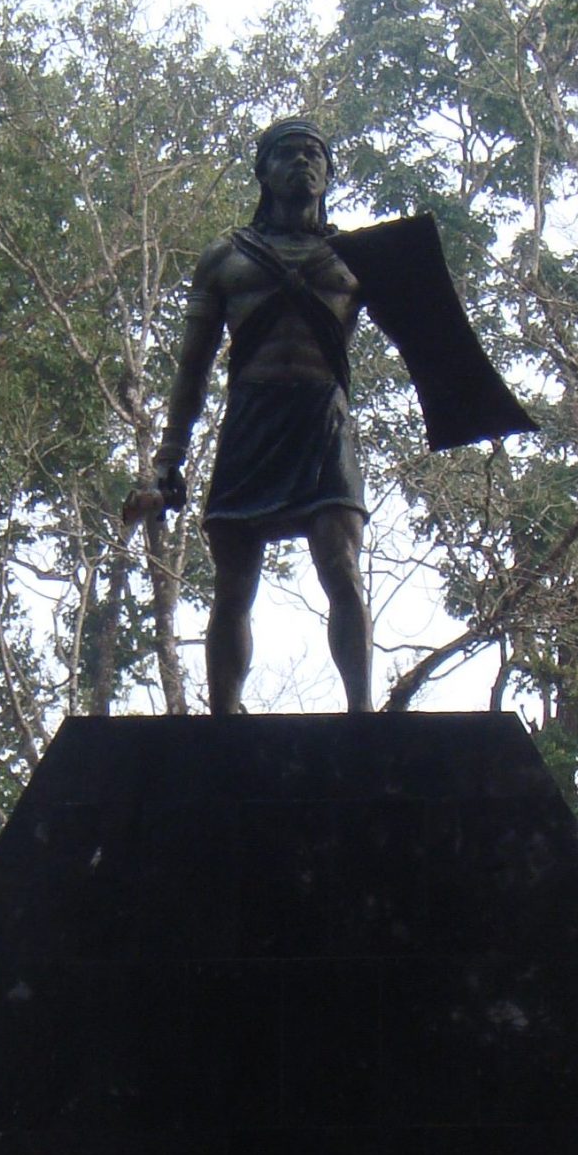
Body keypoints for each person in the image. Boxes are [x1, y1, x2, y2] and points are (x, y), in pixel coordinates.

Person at [154, 119, 372, 713]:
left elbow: (429, 337)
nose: (302, 163)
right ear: (263, 171)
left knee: (342, 566)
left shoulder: (358, 260)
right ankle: (223, 719)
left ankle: (362, 714)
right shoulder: (226, 258)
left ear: (329, 173)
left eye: (313, 154)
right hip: (251, 421)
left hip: (324, 424)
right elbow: (192, 368)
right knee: (234, 582)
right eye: (287, 154)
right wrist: (167, 459)